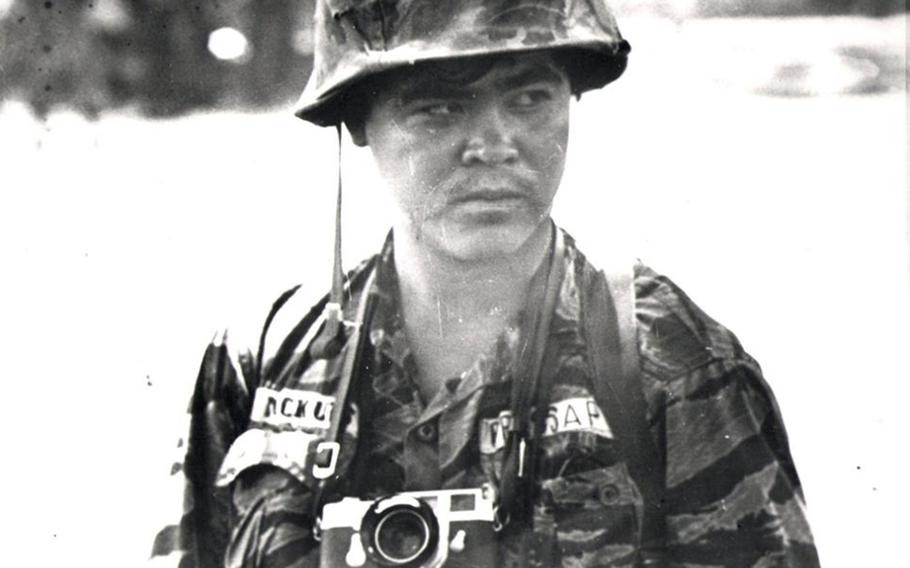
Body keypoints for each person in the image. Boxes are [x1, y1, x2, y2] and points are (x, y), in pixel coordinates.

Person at [151, 1, 820, 566]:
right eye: (438, 109)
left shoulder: (671, 364)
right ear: (358, 121)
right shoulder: (265, 361)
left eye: (530, 99)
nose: (493, 144)